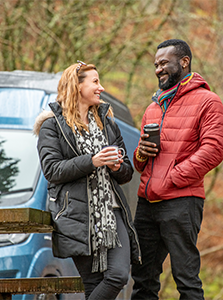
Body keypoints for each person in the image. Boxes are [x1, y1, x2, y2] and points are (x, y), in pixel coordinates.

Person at [131, 39, 223, 300]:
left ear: (184, 62)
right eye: (155, 65)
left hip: (182, 201)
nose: (158, 69)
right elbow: (139, 164)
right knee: (142, 281)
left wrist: (171, 179)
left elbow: (214, 150)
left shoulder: (208, 101)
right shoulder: (153, 107)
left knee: (186, 280)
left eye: (164, 63)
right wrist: (141, 153)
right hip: (147, 204)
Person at [35, 61, 140, 300]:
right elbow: (52, 170)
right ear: (77, 86)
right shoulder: (51, 126)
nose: (101, 87)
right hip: (76, 216)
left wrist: (116, 166)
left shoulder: (108, 124)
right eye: (95, 82)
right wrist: (92, 161)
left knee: (118, 275)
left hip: (112, 212)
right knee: (93, 285)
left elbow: (126, 172)